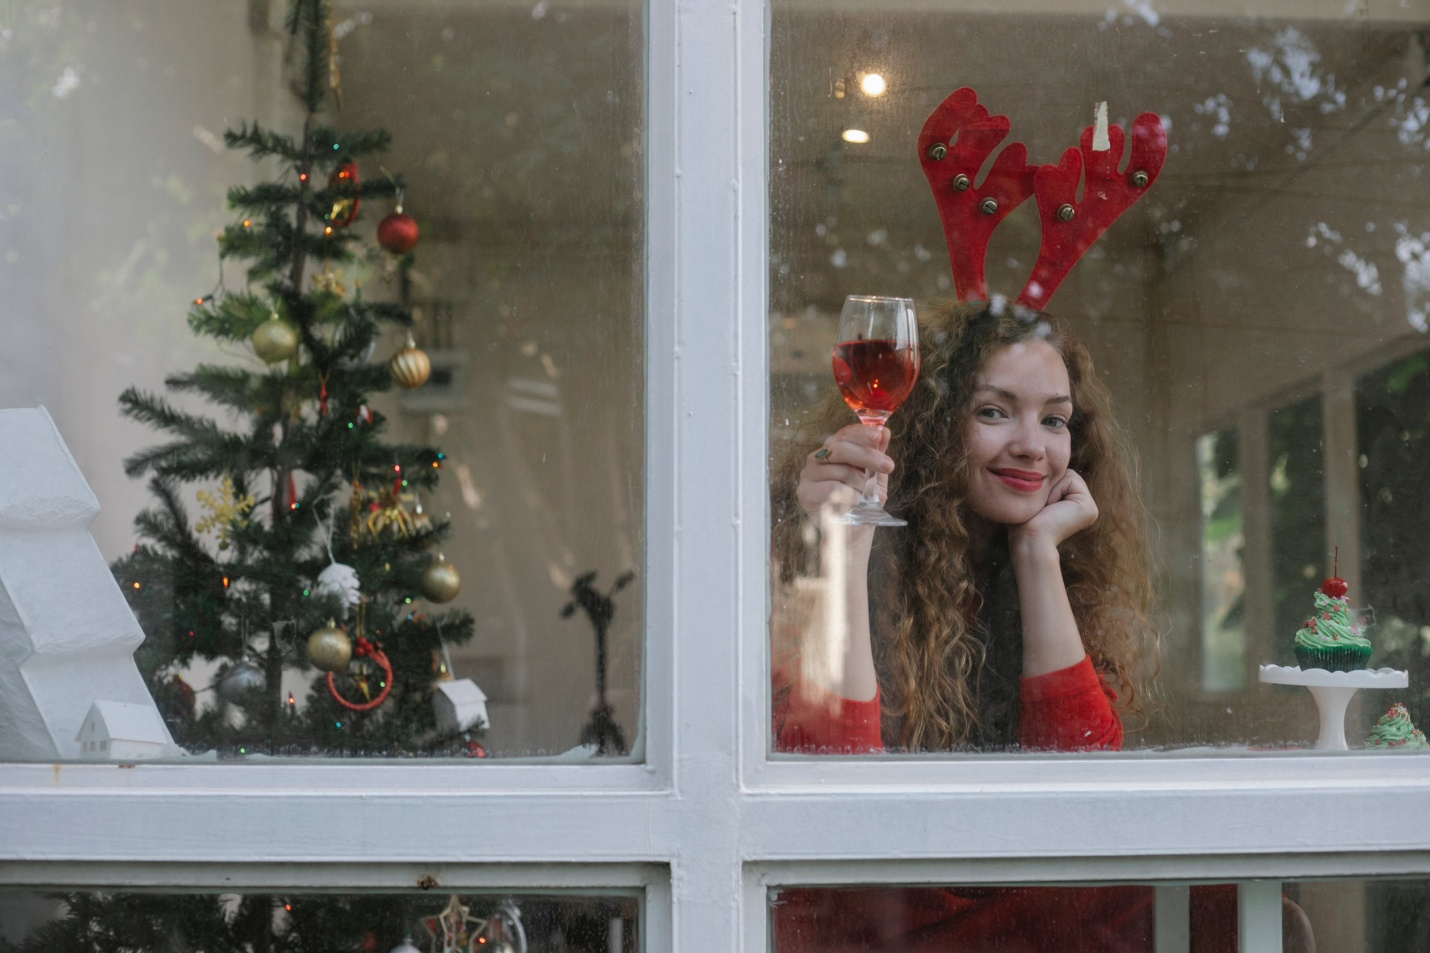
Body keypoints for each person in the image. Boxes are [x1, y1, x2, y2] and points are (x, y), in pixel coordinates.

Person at [768, 299, 1316, 953]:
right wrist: (843, 544)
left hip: (1007, 892)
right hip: (869, 908)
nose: (1032, 444)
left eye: (1054, 419)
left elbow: (1082, 782)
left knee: (1254, 911)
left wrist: (1038, 553)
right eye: (994, 411)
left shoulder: (1027, 566)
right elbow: (835, 780)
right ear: (931, 423)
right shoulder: (803, 547)